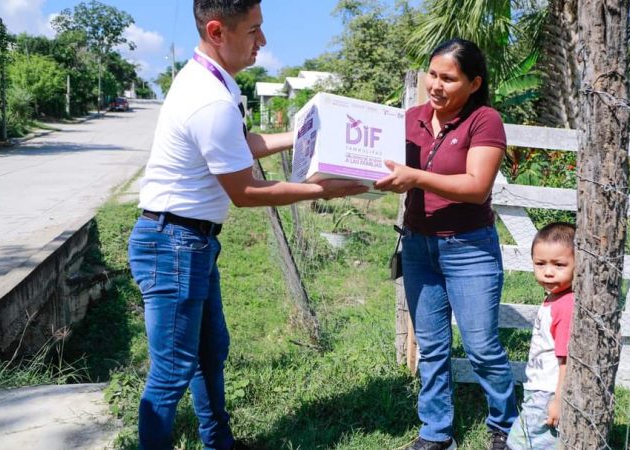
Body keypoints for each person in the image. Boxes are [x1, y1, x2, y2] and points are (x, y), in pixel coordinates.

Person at [128, 1, 367, 449]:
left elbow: (240, 144)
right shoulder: (209, 100)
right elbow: (247, 192)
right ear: (218, 31)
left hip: (189, 242)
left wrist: (302, 136)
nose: (263, 41)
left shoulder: (214, 80)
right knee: (171, 372)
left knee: (209, 351)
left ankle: (220, 442)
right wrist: (323, 190)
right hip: (174, 244)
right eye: (254, 30)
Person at [375, 38, 517, 450]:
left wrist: (415, 178)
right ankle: (436, 433)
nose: (435, 85)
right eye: (432, 75)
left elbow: (476, 187)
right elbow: (378, 165)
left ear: (474, 83)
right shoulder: (411, 118)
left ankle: (506, 427)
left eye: (448, 79)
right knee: (432, 348)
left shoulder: (484, 120)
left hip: (469, 248)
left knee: (482, 346)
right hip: (419, 247)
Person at [506, 222, 576, 450]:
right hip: (538, 388)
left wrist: (558, 399)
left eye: (559, 264)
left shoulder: (565, 306)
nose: (548, 271)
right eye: (540, 263)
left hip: (548, 392)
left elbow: (566, 359)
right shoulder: (554, 298)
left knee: (520, 442)